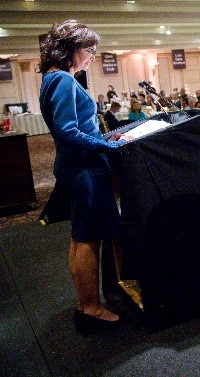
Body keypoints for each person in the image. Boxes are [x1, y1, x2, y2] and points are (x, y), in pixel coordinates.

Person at [38, 20, 127, 335]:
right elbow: (67, 131)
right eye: (88, 50)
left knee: (80, 237)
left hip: (75, 167)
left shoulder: (51, 78)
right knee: (88, 239)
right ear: (71, 50)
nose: (91, 56)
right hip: (84, 169)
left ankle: (85, 304)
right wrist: (105, 144)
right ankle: (91, 308)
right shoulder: (62, 80)